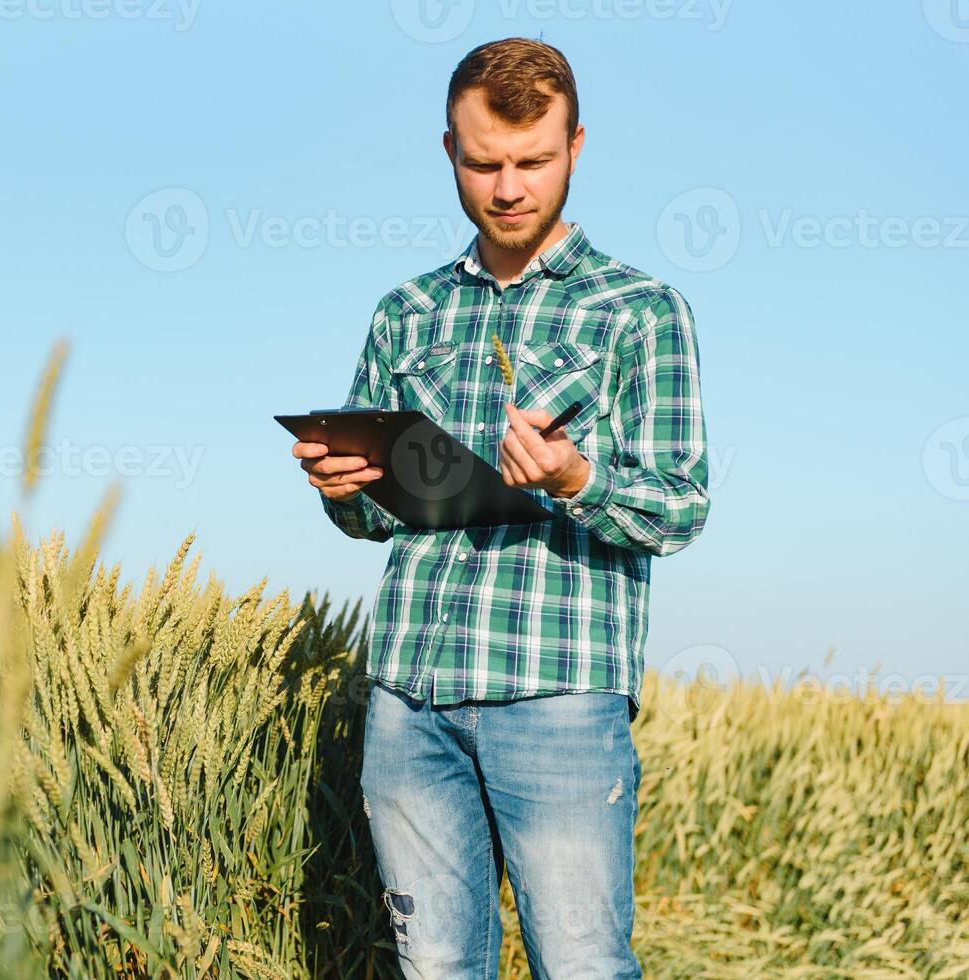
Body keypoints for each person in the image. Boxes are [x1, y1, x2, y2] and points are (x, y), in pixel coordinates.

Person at [290, 37, 711, 979]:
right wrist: (344, 494)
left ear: (577, 147)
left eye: (533, 161)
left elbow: (681, 508)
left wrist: (577, 480)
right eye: (484, 163)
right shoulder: (406, 314)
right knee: (436, 969)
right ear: (449, 151)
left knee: (583, 967)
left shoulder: (641, 311)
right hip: (409, 694)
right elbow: (379, 523)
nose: (509, 187)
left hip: (560, 695)